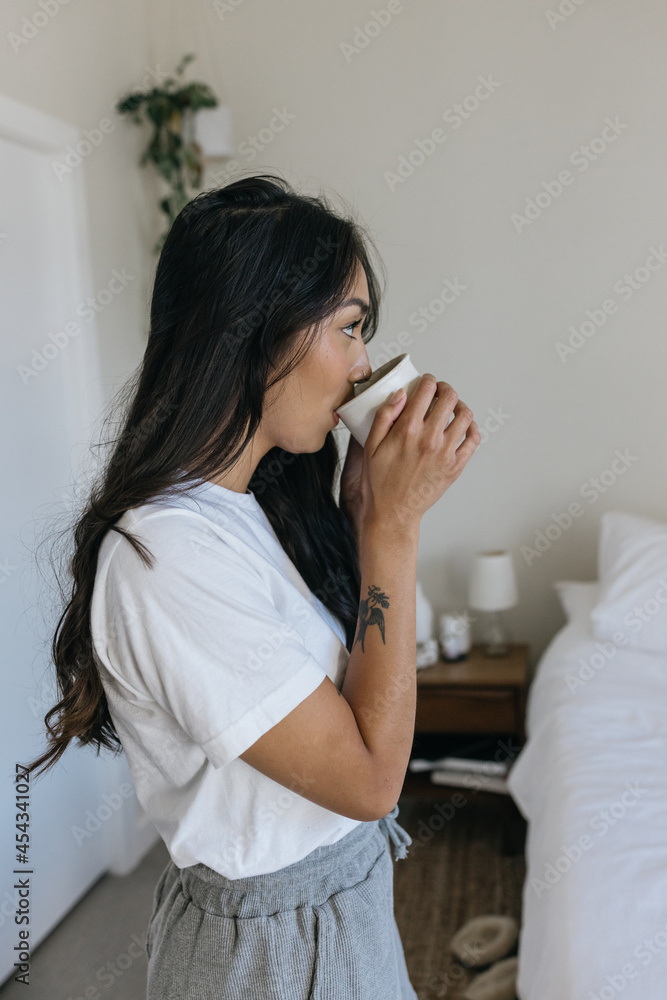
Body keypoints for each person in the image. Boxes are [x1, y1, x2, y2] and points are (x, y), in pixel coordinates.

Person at [24, 173, 480, 998]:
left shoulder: (255, 504)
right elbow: (371, 782)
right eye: (347, 328)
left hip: (336, 906)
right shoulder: (164, 556)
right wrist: (395, 533)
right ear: (255, 332)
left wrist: (365, 515)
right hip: (271, 953)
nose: (364, 363)